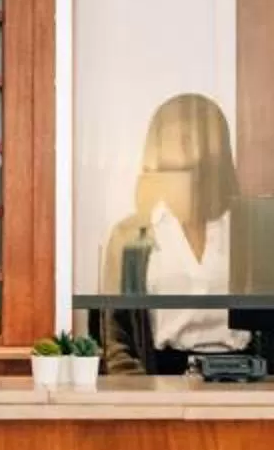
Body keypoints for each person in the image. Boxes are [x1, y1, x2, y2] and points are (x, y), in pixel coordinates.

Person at [97, 92, 251, 374]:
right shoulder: (129, 235)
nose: (186, 141)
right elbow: (115, 339)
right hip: (159, 379)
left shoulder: (248, 229)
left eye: (198, 131)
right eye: (176, 133)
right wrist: (138, 391)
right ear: (156, 147)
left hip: (245, 379)